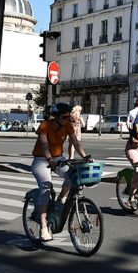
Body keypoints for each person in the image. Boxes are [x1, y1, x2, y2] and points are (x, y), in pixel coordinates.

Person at [31, 103, 89, 241]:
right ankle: (44, 227)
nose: (67, 119)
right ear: (56, 116)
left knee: (73, 175)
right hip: (41, 160)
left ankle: (60, 199)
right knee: (45, 188)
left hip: (59, 158)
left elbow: (75, 143)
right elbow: (44, 144)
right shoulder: (45, 125)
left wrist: (85, 157)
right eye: (64, 117)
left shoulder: (68, 126)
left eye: (69, 117)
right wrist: (49, 159)